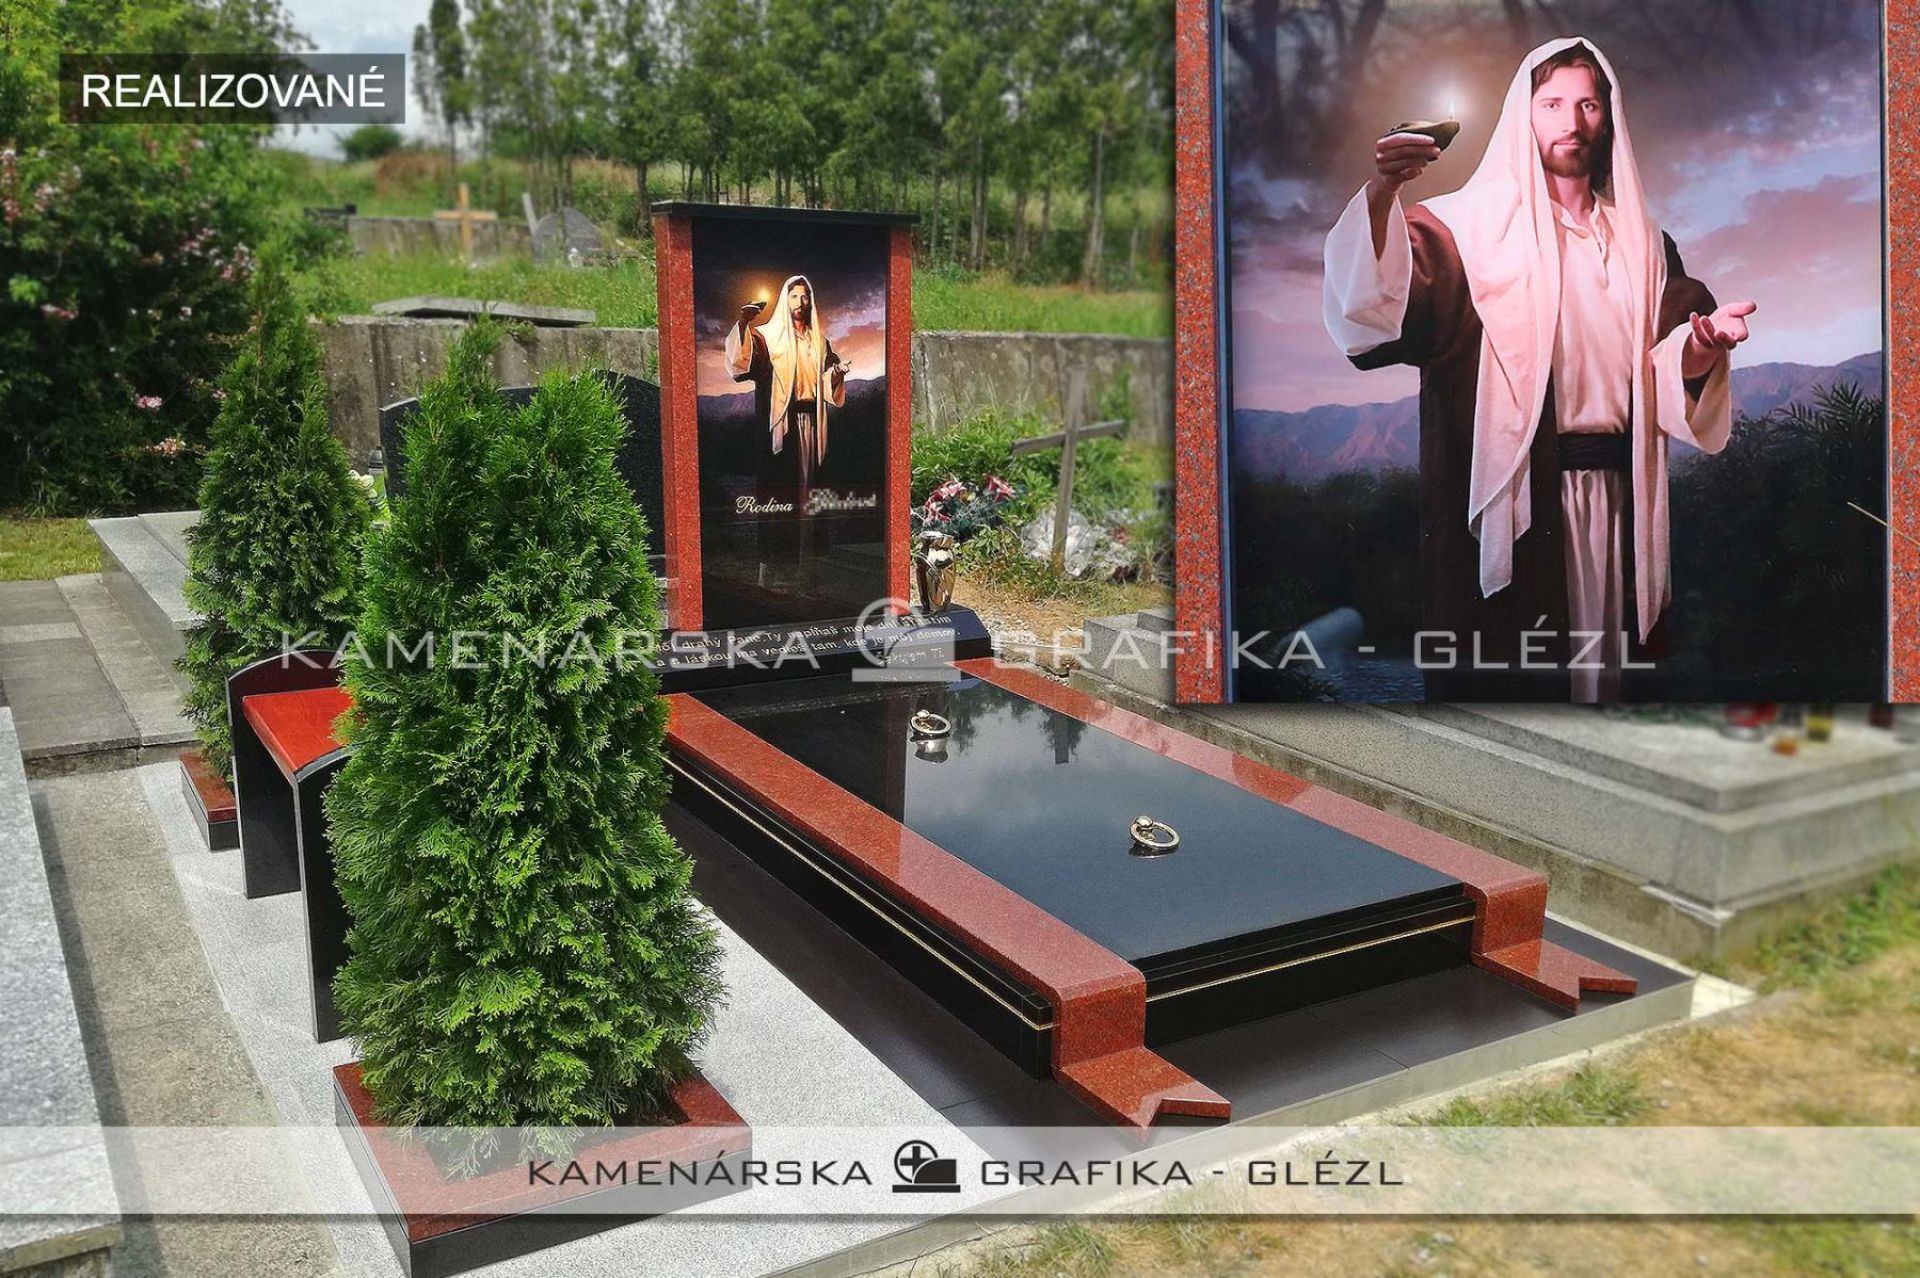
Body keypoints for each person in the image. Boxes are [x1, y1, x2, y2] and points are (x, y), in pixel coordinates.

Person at [1322, 37, 1756, 702]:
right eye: (1552, 103)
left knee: (1612, 691)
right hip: (1523, 502)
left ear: (1608, 118)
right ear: (1523, 115)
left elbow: (1668, 363)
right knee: (1517, 696)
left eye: (1588, 104)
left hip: (1621, 504)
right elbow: (1373, 308)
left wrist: (1702, 346)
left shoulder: (1643, 243)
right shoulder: (1463, 231)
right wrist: (1384, 194)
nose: (1571, 121)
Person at [725, 275, 850, 501]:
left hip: (814, 421)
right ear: (785, 299)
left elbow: (825, 379)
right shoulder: (766, 337)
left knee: (813, 483)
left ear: (810, 301)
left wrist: (836, 373)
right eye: (794, 296)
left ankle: (811, 524)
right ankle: (782, 524)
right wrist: (743, 323)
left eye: (805, 296)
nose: (800, 302)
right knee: (782, 482)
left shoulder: (820, 343)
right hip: (782, 421)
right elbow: (742, 366)